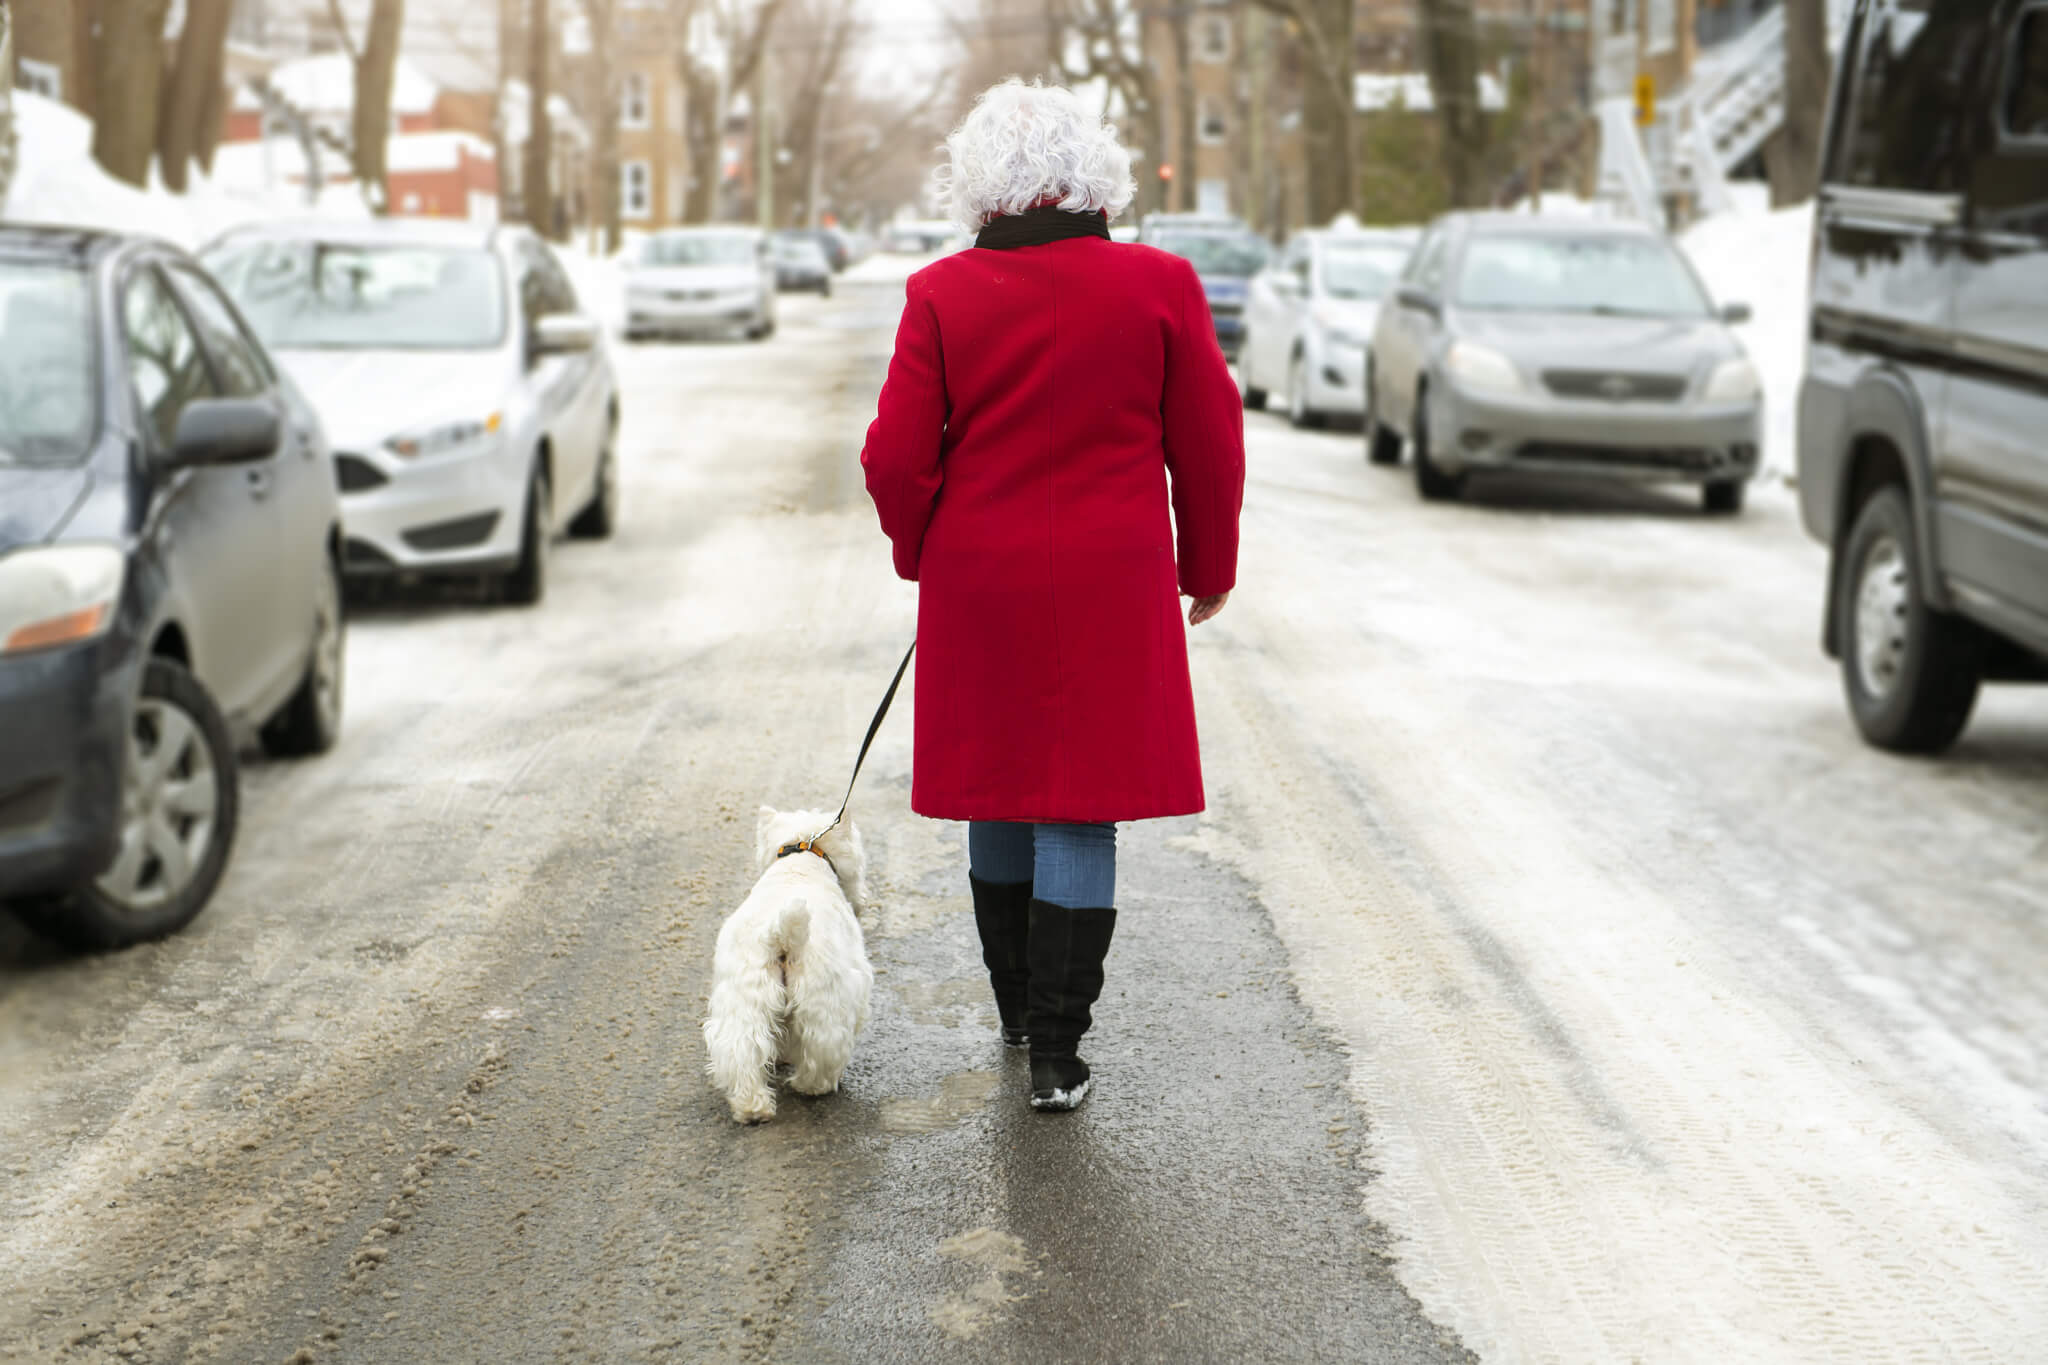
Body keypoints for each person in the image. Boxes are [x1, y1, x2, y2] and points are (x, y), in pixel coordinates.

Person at [860, 80, 1246, 1112]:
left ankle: (1018, 1008)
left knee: (999, 788)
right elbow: (1207, 446)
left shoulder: (939, 295)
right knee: (1078, 807)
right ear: (1096, 171)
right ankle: (1058, 1054)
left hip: (978, 582)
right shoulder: (1160, 285)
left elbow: (896, 457)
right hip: (1111, 584)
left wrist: (919, 551)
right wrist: (1206, 566)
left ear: (981, 182)